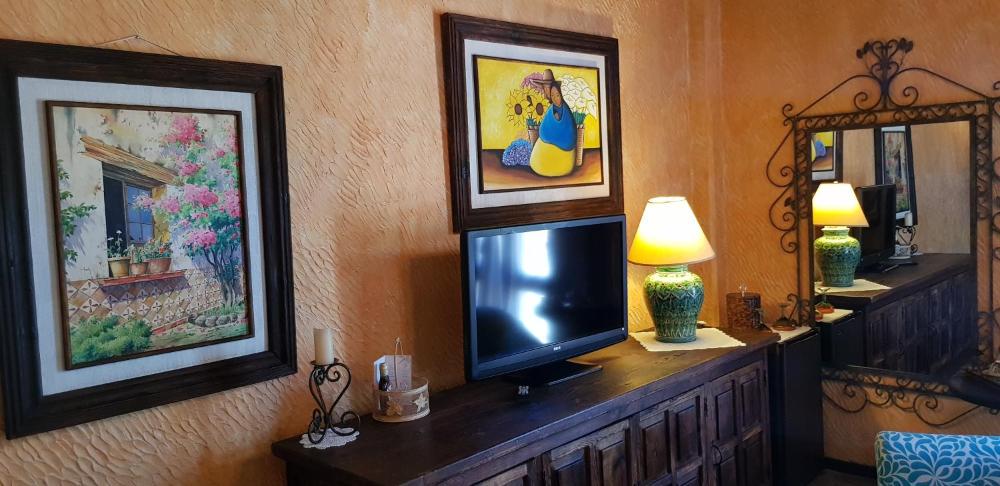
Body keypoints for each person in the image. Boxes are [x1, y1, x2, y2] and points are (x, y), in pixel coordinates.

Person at [529, 69, 576, 177]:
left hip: (562, 152)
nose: (554, 98)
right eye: (544, 87)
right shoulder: (551, 108)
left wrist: (556, 123)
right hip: (544, 148)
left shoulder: (565, 110)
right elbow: (545, 126)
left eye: (557, 95)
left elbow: (568, 131)